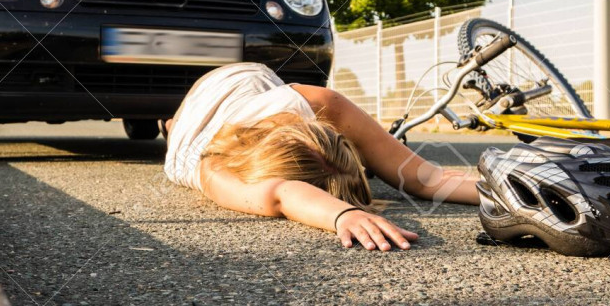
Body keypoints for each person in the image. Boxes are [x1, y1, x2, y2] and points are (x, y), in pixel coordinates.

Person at [162, 62, 479, 251]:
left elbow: (423, 178)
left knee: (179, 128)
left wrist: (516, 190)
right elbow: (282, 193)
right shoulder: (213, 169)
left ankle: (173, 125)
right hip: (205, 108)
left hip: (246, 81)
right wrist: (343, 215)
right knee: (176, 129)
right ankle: (171, 126)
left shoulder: (314, 102)